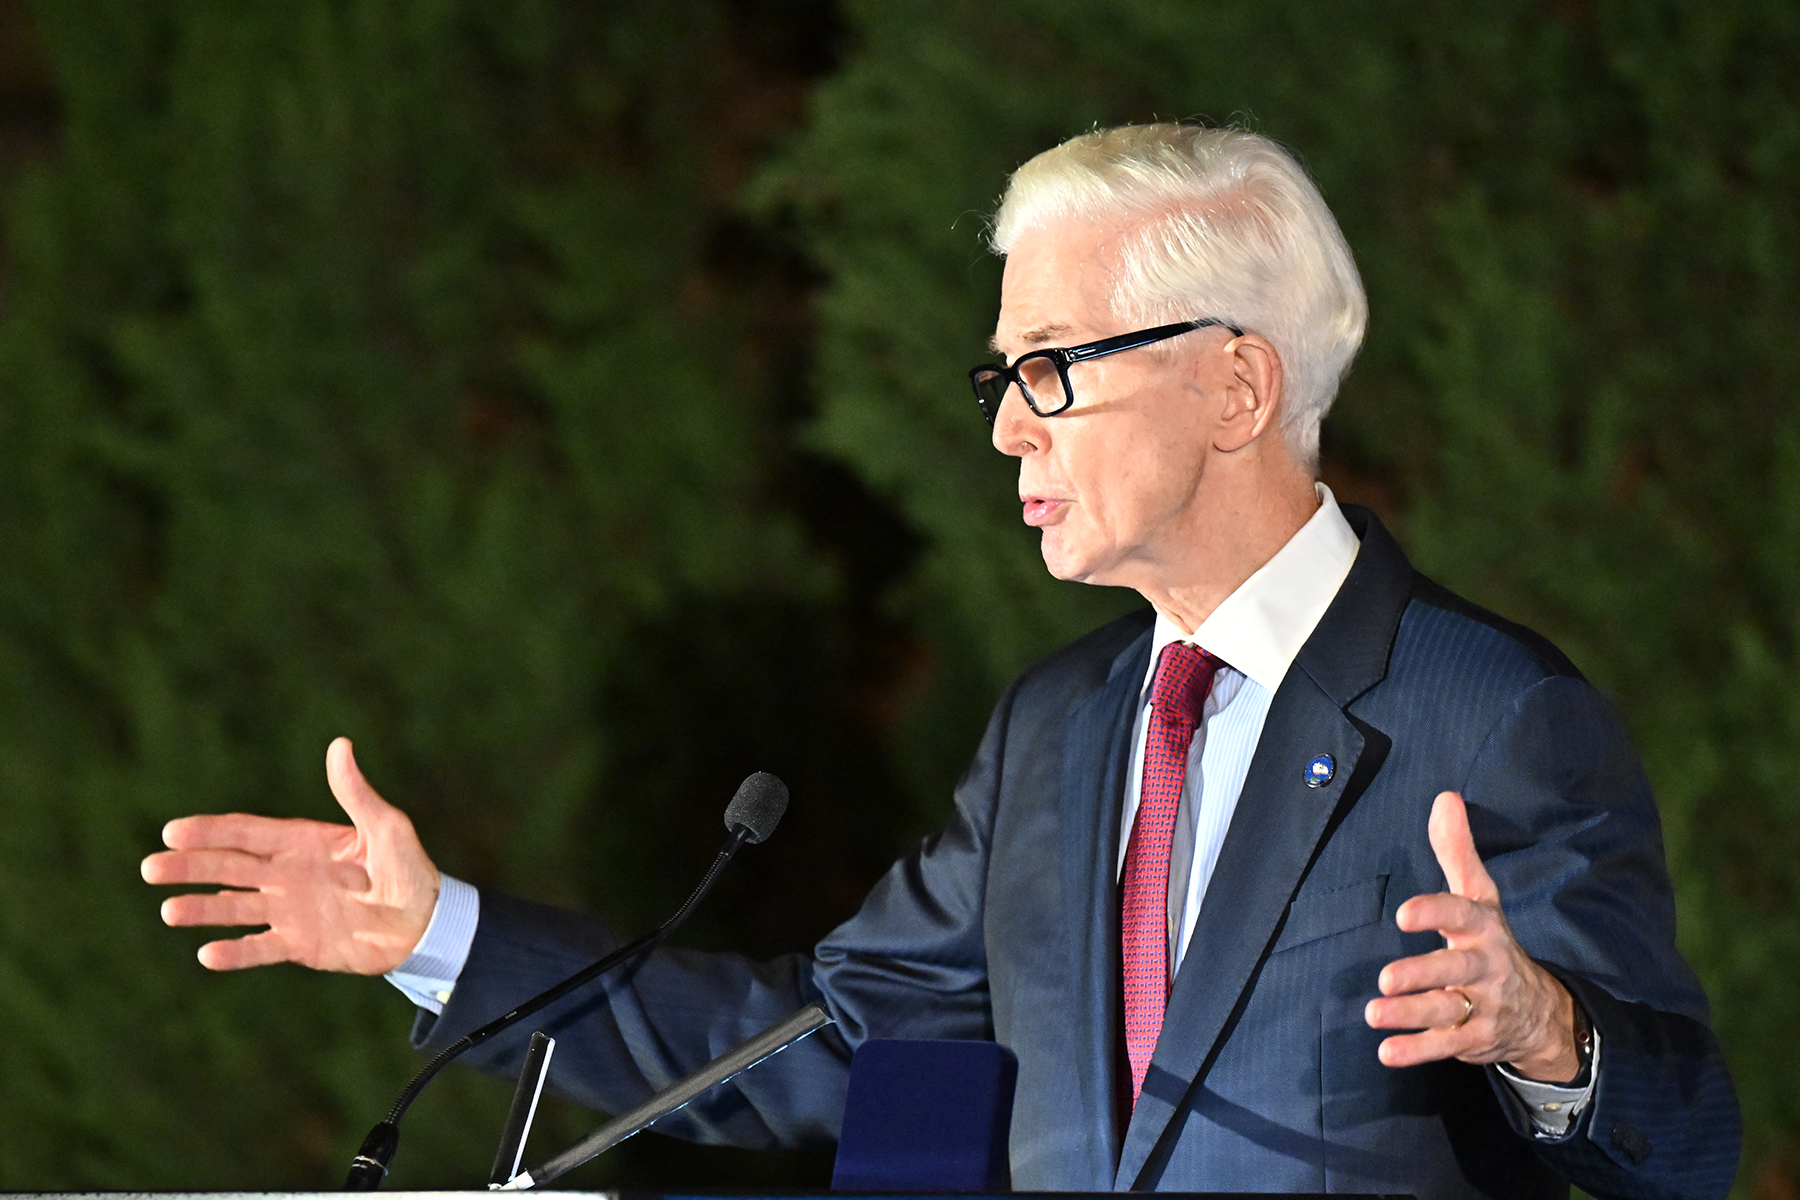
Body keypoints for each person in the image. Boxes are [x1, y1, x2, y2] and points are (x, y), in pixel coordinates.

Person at [141, 124, 1739, 1199]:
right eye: (998, 376)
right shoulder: (1057, 728)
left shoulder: (1491, 713)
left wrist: (1545, 1035)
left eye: (1049, 369)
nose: (1002, 428)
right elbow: (823, 1050)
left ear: (1238, 387)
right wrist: (443, 936)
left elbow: (1688, 1142)